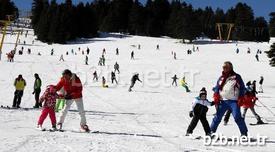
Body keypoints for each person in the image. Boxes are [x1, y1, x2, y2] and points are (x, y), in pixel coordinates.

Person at [211, 61, 248, 136]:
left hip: (233, 101)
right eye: (223, 67)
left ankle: (244, 133)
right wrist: (216, 95)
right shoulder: (221, 78)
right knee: (217, 117)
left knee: (237, 117)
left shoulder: (236, 77)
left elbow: (242, 88)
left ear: (230, 68)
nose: (224, 68)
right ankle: (211, 131)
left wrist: (241, 97)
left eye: (226, 67)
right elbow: (217, 87)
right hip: (223, 101)